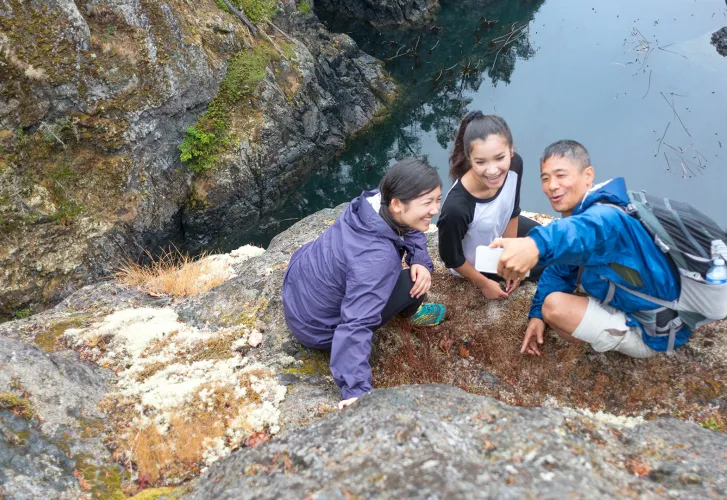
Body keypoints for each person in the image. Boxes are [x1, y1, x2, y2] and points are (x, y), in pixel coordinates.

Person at [491, 140, 688, 358]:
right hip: (653, 302)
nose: (552, 186)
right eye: (545, 178)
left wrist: (534, 245)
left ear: (588, 175)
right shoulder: (608, 203)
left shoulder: (605, 219)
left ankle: (624, 338)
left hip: (654, 331)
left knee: (554, 309)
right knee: (549, 303)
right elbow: (560, 268)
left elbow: (579, 232)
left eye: (561, 175)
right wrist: (536, 315)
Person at [282, 158, 447, 409]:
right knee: (409, 283)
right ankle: (412, 313)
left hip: (297, 295)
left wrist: (420, 259)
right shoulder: (377, 260)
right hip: (318, 330)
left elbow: (410, 226)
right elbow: (355, 325)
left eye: (437, 199)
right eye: (427, 203)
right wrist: (356, 392)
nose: (435, 209)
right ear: (397, 204)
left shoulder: (369, 205)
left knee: (409, 266)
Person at [437, 111, 544, 301]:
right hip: (477, 260)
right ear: (469, 159)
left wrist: (509, 255)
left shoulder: (515, 164)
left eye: (499, 158)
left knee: (550, 241)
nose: (493, 170)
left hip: (501, 231)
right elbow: (451, 259)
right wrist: (484, 284)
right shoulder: (457, 208)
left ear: (511, 150)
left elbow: (512, 210)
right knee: (554, 263)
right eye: (481, 162)